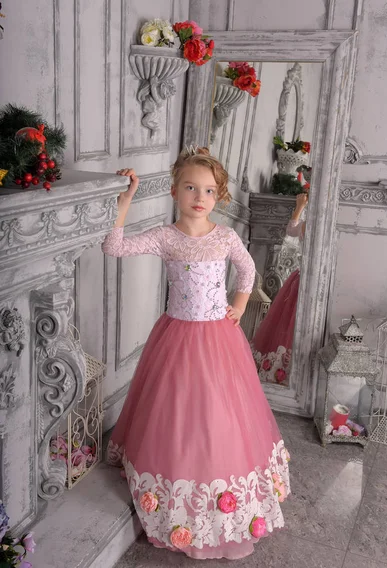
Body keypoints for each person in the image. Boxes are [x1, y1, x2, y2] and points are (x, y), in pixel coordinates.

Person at [102, 147, 291, 561]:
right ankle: (176, 481)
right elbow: (114, 247)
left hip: (218, 338)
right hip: (176, 335)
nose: (199, 196)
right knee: (177, 409)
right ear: (175, 191)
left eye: (208, 190)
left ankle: (220, 486)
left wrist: (239, 306)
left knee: (218, 410)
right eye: (190, 187)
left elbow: (247, 270)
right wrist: (125, 201)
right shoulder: (165, 237)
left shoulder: (224, 236)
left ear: (218, 196)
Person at [251, 193, 308, 387]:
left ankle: (291, 372)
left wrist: (300, 206)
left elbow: (292, 229)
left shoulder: (315, 225)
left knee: (293, 323)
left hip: (306, 281)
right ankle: (277, 370)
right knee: (287, 322)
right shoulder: (310, 224)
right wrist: (300, 206)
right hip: (300, 280)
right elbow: (292, 230)